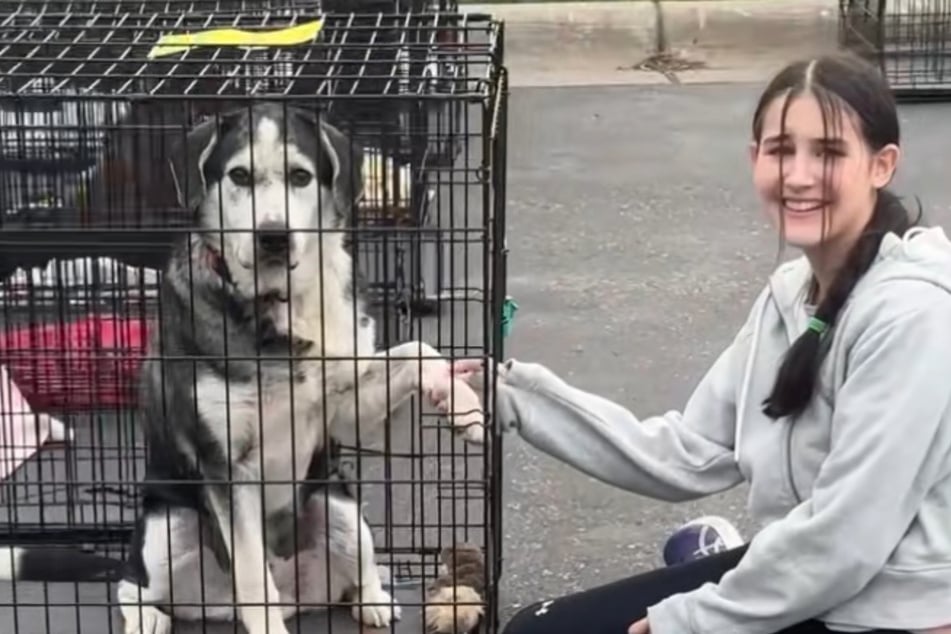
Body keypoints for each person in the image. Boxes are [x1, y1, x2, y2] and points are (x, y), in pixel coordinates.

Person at [435, 52, 951, 634]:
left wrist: (693, 618)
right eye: (782, 150)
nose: (799, 176)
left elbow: (847, 537)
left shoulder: (914, 312)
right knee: (540, 628)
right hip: (807, 579)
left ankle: (713, 562)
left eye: (828, 153)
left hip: (889, 612)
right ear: (756, 159)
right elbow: (690, 450)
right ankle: (715, 558)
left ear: (881, 165)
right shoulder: (791, 296)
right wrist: (512, 395)